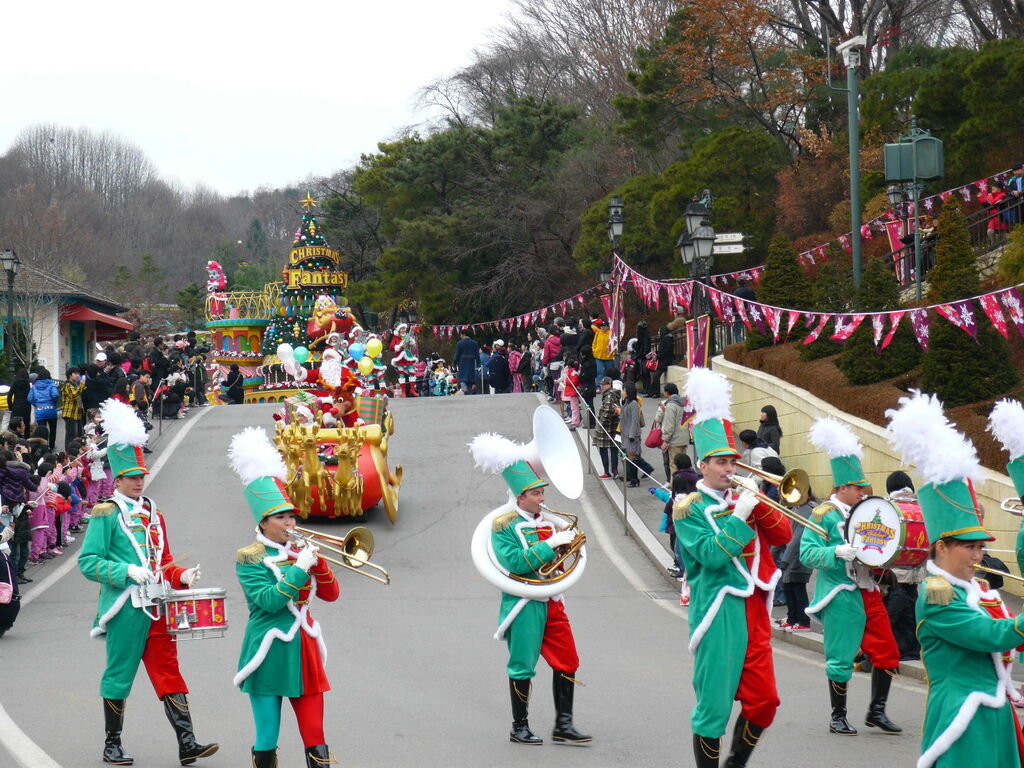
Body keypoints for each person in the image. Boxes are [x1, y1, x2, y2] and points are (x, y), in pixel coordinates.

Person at [888, 390, 1024, 768]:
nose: (979, 555)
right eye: (970, 547)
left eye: (981, 546)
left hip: (992, 708)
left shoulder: (976, 589)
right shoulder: (936, 595)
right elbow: (992, 636)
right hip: (962, 715)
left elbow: (1007, 643)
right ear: (942, 546)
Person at [77, 399, 216, 766]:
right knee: (119, 675)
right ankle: (112, 744)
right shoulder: (105, 513)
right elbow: (88, 562)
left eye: (143, 476)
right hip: (125, 608)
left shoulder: (154, 511)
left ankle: (188, 743)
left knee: (169, 673)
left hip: (158, 605)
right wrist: (125, 572)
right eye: (134, 477)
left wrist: (180, 575)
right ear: (118, 478)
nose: (140, 481)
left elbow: (164, 560)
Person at [674, 366, 791, 768]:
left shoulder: (746, 496)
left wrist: (759, 502)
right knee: (714, 706)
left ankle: (735, 764)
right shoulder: (688, 508)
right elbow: (709, 555)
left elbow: (783, 536)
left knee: (765, 701)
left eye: (732, 461)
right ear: (703, 465)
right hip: (718, 606)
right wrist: (739, 517)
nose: (730, 468)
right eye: (721, 462)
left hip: (755, 605)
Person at [468, 434, 591, 746]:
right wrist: (551, 545)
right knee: (523, 665)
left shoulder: (548, 522)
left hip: (552, 599)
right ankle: (519, 726)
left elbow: (558, 563)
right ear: (519, 497)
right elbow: (515, 563)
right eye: (535, 493)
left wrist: (568, 548)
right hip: (523, 603)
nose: (541, 498)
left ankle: (564, 724)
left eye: (540, 492)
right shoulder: (502, 525)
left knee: (569, 659)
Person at [228, 427, 340, 768]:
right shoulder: (248, 556)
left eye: (291, 515)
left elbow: (332, 595)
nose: (289, 522)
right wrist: (298, 568)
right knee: (267, 736)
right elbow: (270, 602)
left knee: (315, 734)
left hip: (304, 648)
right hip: (268, 649)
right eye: (281, 517)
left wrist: (318, 564)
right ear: (263, 523)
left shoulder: (300, 551)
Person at [800, 418, 902, 737]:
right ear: (842, 487)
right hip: (840, 591)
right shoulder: (823, 515)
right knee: (841, 656)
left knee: (887, 651)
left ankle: (877, 710)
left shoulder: (863, 511)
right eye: (858, 488)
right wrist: (835, 553)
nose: (863, 492)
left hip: (867, 589)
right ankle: (838, 715)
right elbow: (807, 554)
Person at [617, 383, 655, 487]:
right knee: (631, 457)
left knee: (632, 457)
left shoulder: (634, 404)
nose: (623, 393)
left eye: (624, 391)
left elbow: (634, 421)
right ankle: (641, 472)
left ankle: (635, 479)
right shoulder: (626, 403)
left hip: (631, 435)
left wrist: (632, 436)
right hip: (626, 433)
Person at [659, 383, 691, 478]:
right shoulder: (683, 403)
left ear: (666, 393)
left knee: (674, 466)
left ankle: (676, 488)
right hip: (684, 438)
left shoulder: (671, 405)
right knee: (683, 466)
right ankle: (684, 487)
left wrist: (665, 440)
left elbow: (669, 425)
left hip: (674, 440)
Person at [594, 377, 620, 479]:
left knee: (604, 449)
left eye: (603, 385)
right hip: (613, 426)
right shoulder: (612, 394)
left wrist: (602, 423)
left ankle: (608, 471)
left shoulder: (609, 396)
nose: (601, 386)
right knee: (613, 449)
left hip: (607, 427)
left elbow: (608, 411)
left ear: (609, 385)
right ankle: (614, 471)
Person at [28, 367, 60, 450]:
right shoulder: (51, 384)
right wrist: (53, 403)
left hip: (40, 411)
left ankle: (44, 447)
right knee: (53, 430)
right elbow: (55, 395)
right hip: (51, 410)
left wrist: (37, 404)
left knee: (42, 431)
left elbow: (29, 398)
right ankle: (52, 447)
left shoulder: (34, 386)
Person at [60, 367, 87, 450]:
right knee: (71, 436)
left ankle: (79, 451)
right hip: (70, 414)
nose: (77, 375)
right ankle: (68, 452)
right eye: (75, 374)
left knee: (80, 434)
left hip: (77, 414)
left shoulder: (75, 385)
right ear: (70, 375)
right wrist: (81, 385)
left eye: (78, 374)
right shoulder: (67, 385)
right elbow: (74, 395)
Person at [453, 330, 480, 395]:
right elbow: (477, 355)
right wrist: (479, 364)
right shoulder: (475, 343)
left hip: (462, 362)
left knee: (462, 377)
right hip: (471, 362)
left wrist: (454, 363)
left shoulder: (459, 343)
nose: (460, 336)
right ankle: (469, 391)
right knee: (470, 378)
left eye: (461, 335)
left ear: (463, 334)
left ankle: (464, 389)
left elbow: (457, 354)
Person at [650, 326, 674, 397]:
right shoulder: (663, 339)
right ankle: (652, 392)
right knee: (654, 375)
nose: (658, 333)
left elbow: (665, 352)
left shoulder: (667, 340)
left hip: (666, 361)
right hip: (662, 361)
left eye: (659, 331)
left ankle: (656, 393)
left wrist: (657, 356)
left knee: (656, 375)